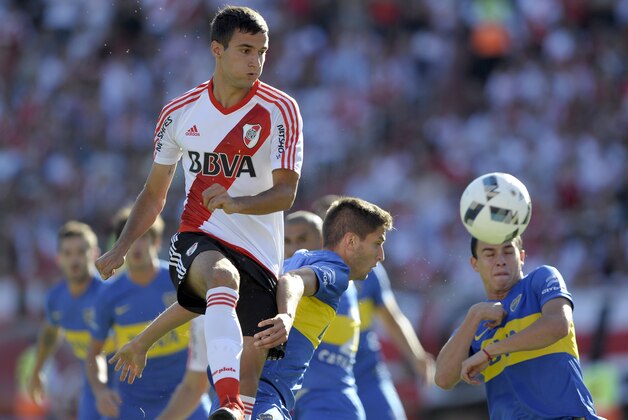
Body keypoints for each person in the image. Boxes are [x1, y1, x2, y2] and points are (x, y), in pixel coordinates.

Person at [94, 5, 303, 419]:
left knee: (249, 400)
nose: (255, 61)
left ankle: (234, 409)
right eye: (245, 50)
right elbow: (154, 193)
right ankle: (225, 403)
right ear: (216, 50)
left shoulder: (281, 110)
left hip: (261, 256)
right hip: (198, 236)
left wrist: (239, 202)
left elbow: (286, 193)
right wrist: (121, 248)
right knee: (222, 277)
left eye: (262, 52)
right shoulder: (179, 112)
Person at [107, 197, 393, 420]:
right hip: (263, 395)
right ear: (351, 241)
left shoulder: (282, 263)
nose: (381, 255)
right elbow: (293, 282)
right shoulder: (336, 270)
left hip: (227, 390)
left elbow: (205, 299)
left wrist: (143, 341)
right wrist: (286, 315)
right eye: (377, 243)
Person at [434, 236, 602, 419]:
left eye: (508, 252)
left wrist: (490, 351)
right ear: (475, 263)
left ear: (521, 257)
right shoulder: (475, 321)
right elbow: (443, 379)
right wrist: (474, 314)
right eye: (489, 254)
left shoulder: (542, 278)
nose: (500, 261)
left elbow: (559, 324)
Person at [312, 195, 435, 420]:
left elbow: (392, 317)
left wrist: (417, 357)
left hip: (368, 375)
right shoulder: (308, 273)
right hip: (323, 384)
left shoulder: (370, 273)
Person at [86, 208, 208, 419]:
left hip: (185, 399)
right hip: (131, 406)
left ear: (157, 241)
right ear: (119, 246)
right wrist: (100, 391)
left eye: (143, 237)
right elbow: (94, 354)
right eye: (130, 239)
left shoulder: (180, 280)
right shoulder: (109, 295)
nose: (137, 245)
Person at [26, 221, 116, 420]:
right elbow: (51, 333)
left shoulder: (110, 295)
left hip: (126, 383)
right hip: (92, 387)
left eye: (81, 251)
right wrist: (37, 371)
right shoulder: (55, 298)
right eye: (67, 253)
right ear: (59, 259)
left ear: (94, 254)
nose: (74, 259)